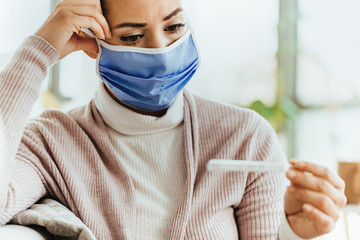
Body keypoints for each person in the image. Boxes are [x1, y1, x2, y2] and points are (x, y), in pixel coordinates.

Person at [0, 0, 347, 239]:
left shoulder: (246, 138)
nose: (161, 50)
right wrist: (37, 53)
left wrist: (291, 230)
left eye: (175, 26)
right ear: (93, 42)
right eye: (133, 36)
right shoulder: (51, 142)